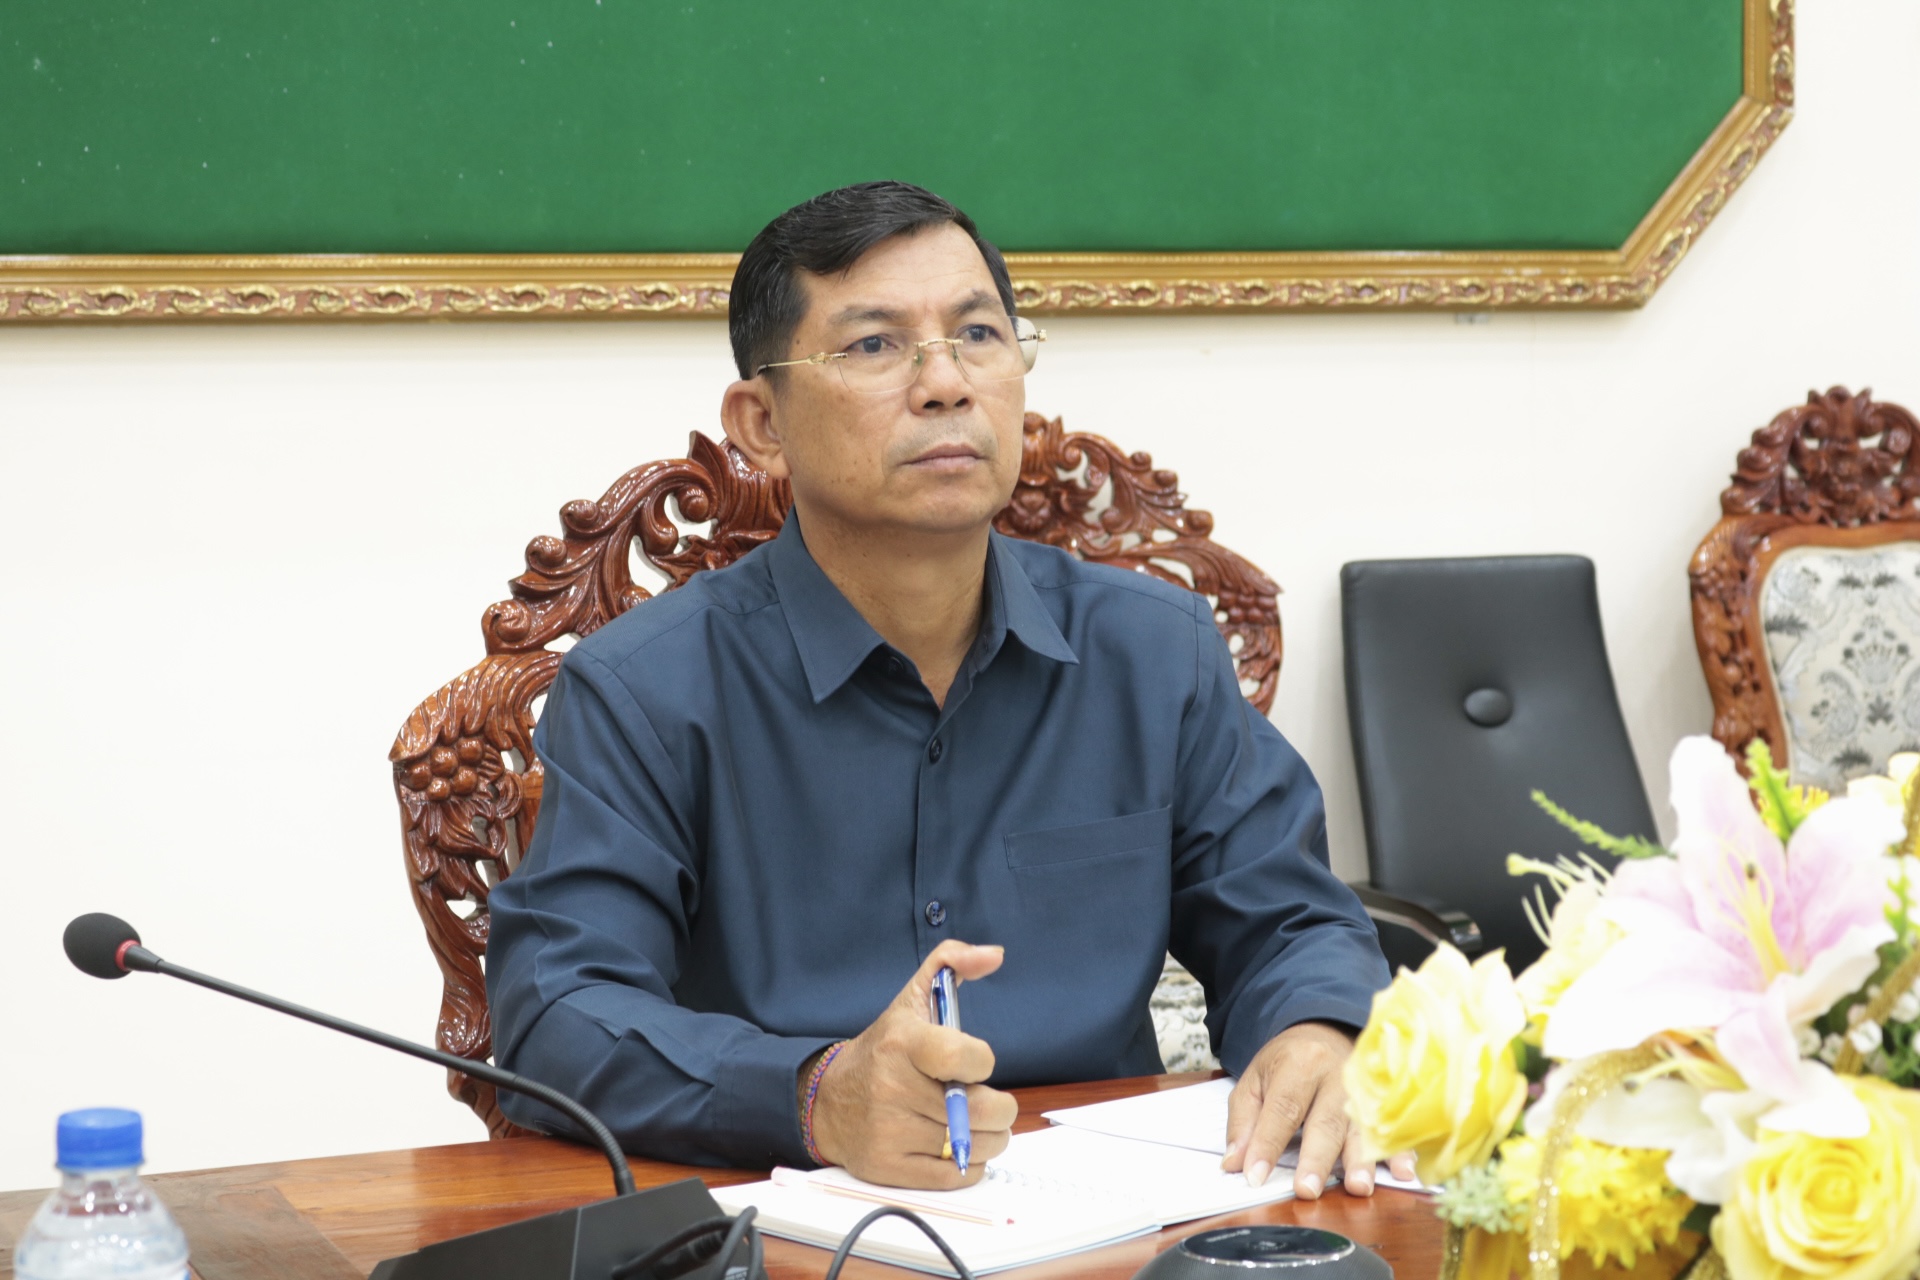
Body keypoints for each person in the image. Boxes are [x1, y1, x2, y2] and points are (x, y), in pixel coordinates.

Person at [485, 181, 1402, 1197]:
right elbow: (558, 1007)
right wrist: (813, 1093)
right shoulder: (645, 690)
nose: (946, 384)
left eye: (977, 334)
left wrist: (1318, 1026)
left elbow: (1291, 920)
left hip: (1114, 1213)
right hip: (795, 1213)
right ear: (761, 423)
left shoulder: (1152, 650)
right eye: (875, 345)